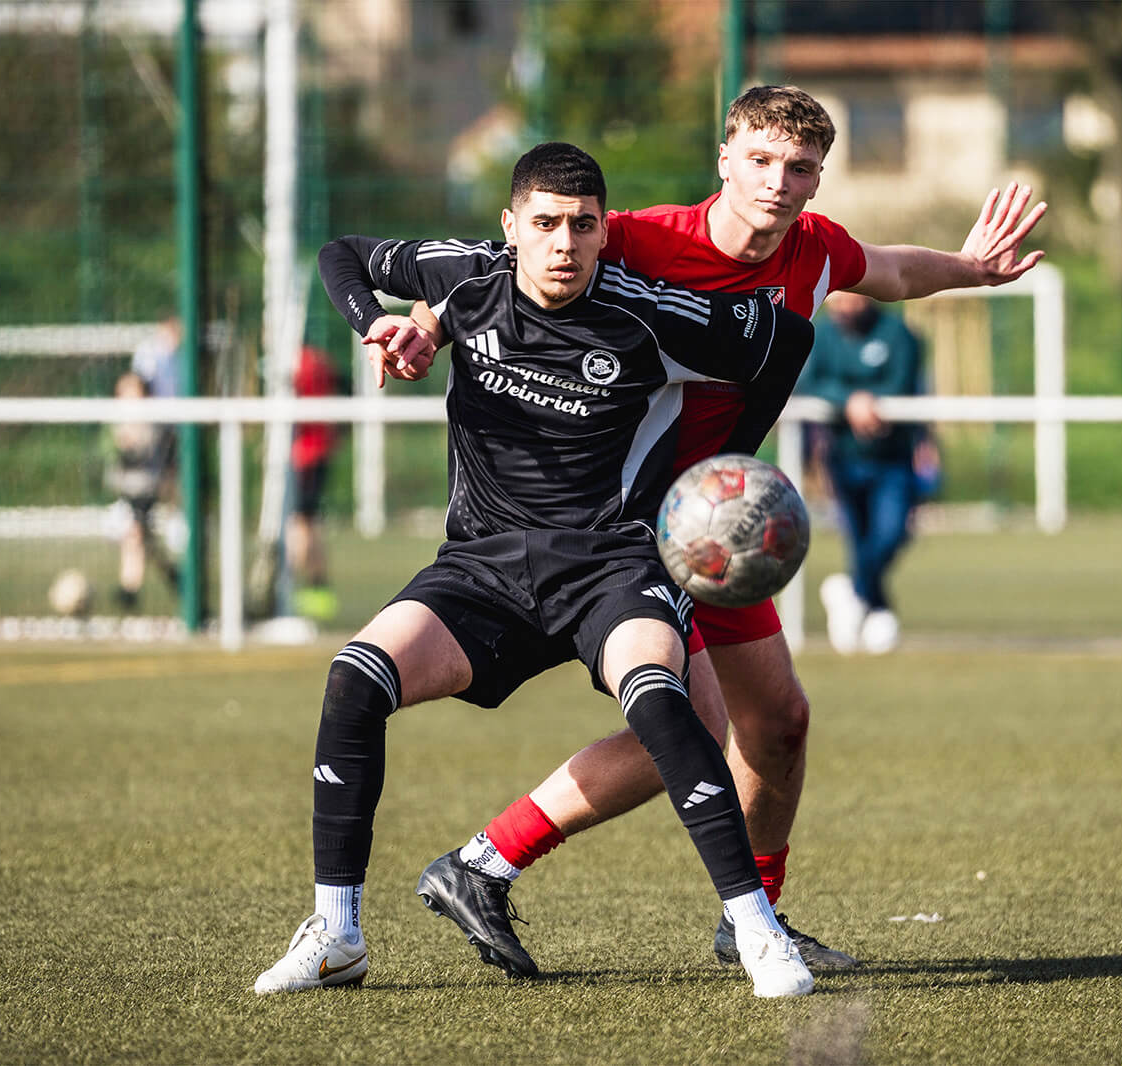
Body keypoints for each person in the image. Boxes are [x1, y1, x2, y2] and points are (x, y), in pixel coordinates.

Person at [375, 85, 1046, 977]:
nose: (777, 182)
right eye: (760, 161)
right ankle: (488, 863)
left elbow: (888, 271)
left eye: (799, 167)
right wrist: (422, 325)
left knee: (777, 724)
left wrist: (970, 267)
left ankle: (741, 915)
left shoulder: (815, 250)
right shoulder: (641, 238)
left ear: (817, 178)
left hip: (716, 523)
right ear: (724, 158)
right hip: (625, 520)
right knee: (688, 728)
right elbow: (499, 266)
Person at [253, 142, 820, 999]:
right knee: (355, 676)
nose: (565, 243)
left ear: (604, 234)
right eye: (546, 224)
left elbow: (785, 338)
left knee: (663, 699)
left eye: (584, 227)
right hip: (483, 564)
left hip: (612, 561)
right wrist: (374, 319)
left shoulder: (651, 314)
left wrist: (723, 467)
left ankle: (757, 931)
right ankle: (337, 935)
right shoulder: (463, 280)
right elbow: (342, 255)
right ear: (511, 227)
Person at [799, 290, 939, 654]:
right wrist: (851, 402)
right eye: (838, 303)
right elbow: (810, 381)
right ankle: (878, 611)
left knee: (891, 534)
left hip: (893, 456)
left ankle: (852, 592)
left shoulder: (898, 334)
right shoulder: (823, 335)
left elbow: (903, 384)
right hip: (843, 455)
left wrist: (871, 403)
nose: (844, 309)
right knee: (859, 540)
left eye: (851, 301)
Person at [105, 371, 180, 610]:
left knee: (135, 536)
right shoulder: (115, 425)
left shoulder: (153, 425)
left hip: (147, 491)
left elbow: (156, 455)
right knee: (143, 543)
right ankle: (175, 577)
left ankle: (129, 591)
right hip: (126, 492)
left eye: (132, 392)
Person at [288, 344, 342, 623]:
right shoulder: (321, 360)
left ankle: (302, 585)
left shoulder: (301, 365)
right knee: (308, 521)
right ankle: (314, 586)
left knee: (302, 522)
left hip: (306, 454)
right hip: (317, 450)